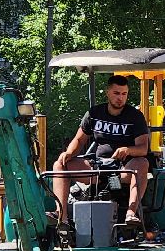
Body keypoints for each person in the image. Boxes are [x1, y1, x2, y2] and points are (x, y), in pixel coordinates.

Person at [53, 75, 151, 231]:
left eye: (124, 94)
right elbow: (79, 140)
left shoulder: (136, 117)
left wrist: (128, 150)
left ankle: (131, 213)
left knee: (142, 163)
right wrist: (69, 153)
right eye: (116, 93)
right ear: (108, 92)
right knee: (60, 165)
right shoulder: (94, 113)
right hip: (97, 167)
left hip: (123, 169)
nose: (120, 98)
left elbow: (143, 148)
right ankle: (62, 218)